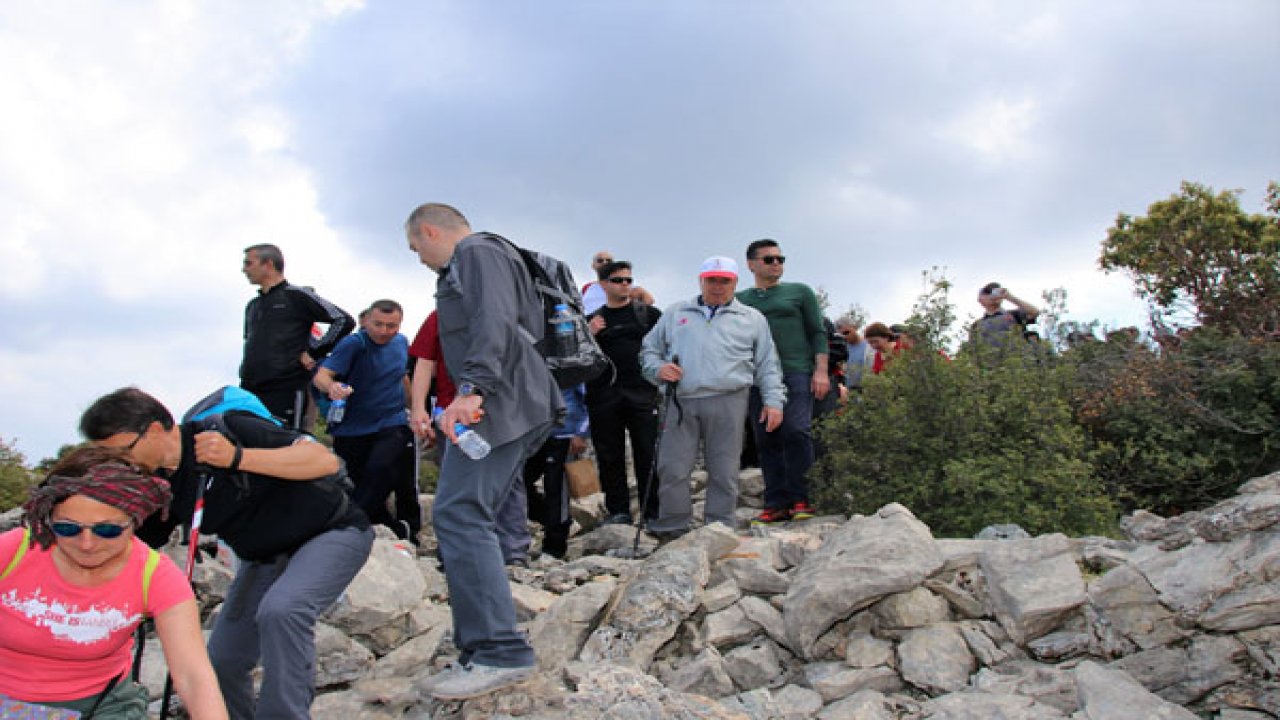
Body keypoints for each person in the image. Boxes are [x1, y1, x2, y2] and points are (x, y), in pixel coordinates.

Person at [80, 387, 374, 719]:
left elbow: (323, 460)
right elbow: (140, 541)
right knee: (222, 659)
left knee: (283, 610)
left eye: (122, 451)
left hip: (333, 532)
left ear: (154, 430)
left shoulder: (226, 428)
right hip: (263, 558)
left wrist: (237, 457)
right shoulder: (158, 485)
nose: (120, 462)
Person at [405, 202, 562, 700]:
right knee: (464, 513)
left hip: (501, 403)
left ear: (430, 230)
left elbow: (495, 320)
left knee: (458, 512)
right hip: (509, 401)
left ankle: (498, 651)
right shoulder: (481, 256)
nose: (421, 259)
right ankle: (480, 650)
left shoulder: (477, 251)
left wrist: (472, 389)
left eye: (417, 248)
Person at [0, 446, 228, 719]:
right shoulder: (13, 551)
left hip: (102, 706)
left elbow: (193, 676)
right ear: (47, 519)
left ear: (135, 522)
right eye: (67, 528)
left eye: (107, 530)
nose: (87, 544)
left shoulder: (155, 576)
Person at [641, 256, 785, 539]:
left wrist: (773, 402)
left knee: (724, 470)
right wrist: (658, 369)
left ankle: (719, 530)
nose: (718, 286)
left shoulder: (752, 319)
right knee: (672, 468)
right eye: (712, 279)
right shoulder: (675, 313)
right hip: (680, 400)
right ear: (701, 280)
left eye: (724, 280)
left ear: (735, 283)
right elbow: (648, 351)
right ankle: (672, 528)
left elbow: (768, 363)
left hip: (730, 399)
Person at [407, 310, 532, 566]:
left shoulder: (505, 313)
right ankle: (456, 551)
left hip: (502, 410)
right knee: (456, 482)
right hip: (452, 412)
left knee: (508, 481)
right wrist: (418, 408)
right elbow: (424, 361)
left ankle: (512, 551)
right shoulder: (441, 316)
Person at [735, 239, 829, 525]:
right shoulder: (740, 300)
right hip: (757, 376)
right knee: (766, 438)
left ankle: (803, 498)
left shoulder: (799, 292)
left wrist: (821, 371)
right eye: (768, 259)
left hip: (796, 370)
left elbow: (817, 332)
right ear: (751, 264)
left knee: (796, 430)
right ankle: (776, 502)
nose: (776, 264)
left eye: (780, 259)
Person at [315, 299, 421, 543]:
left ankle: (347, 526)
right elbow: (322, 376)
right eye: (379, 324)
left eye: (391, 326)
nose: (384, 331)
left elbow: (402, 377)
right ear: (367, 322)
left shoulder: (402, 343)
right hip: (353, 427)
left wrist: (416, 410)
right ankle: (387, 529)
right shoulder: (353, 344)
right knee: (359, 482)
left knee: (382, 469)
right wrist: (332, 388)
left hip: (391, 420)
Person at [240, 243, 355, 430]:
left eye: (249, 263)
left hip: (285, 388)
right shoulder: (253, 305)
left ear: (268, 264)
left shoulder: (296, 296)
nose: (244, 269)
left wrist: (315, 351)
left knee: (284, 444)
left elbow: (343, 320)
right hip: (250, 388)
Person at [585, 260, 663, 525]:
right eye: (618, 280)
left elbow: (667, 347)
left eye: (629, 280)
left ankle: (652, 512)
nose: (625, 285)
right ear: (603, 284)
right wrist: (590, 335)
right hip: (603, 397)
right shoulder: (591, 321)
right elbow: (579, 362)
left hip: (643, 395)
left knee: (648, 453)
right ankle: (618, 511)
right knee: (609, 456)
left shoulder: (649, 315)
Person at [521, 384, 589, 559]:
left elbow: (586, 397)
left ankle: (555, 546)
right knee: (520, 482)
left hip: (564, 433)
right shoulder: (527, 358)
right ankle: (552, 520)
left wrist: (580, 433)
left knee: (556, 488)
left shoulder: (570, 361)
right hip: (532, 433)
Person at [969, 282, 1040, 351]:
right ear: (980, 299)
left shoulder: (1014, 315)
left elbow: (1034, 312)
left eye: (996, 291)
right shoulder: (976, 326)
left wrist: (1009, 297)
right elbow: (972, 351)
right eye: (988, 292)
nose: (993, 295)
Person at [581, 250, 656, 314]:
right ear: (593, 265)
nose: (605, 262)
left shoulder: (623, 282)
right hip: (590, 328)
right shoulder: (587, 287)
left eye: (608, 260)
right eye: (600, 260)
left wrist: (630, 316)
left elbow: (649, 299)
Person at [836, 317, 870, 391]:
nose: (844, 336)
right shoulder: (841, 349)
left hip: (867, 391)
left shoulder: (870, 345)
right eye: (841, 335)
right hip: (848, 393)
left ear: (855, 328)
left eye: (846, 332)